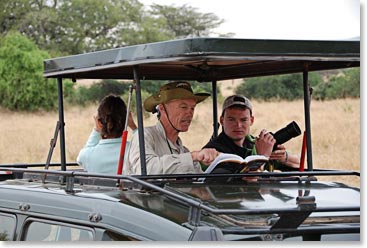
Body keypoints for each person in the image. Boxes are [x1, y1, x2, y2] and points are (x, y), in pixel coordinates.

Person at [125, 81, 219, 175]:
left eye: (192, 108)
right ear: (162, 108)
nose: (189, 113)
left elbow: (199, 180)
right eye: (183, 107)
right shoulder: (145, 136)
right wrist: (193, 156)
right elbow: (145, 170)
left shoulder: (183, 150)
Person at [203, 95, 300, 171]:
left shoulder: (254, 143)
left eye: (244, 120)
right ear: (222, 120)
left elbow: (299, 163)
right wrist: (262, 157)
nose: (238, 125)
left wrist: (283, 157)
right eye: (231, 119)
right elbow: (239, 185)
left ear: (251, 120)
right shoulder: (212, 151)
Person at [77, 94, 137, 174]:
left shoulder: (87, 155)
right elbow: (146, 149)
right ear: (126, 121)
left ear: (99, 122)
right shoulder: (135, 151)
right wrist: (134, 128)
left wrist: (96, 129)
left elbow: (82, 156)